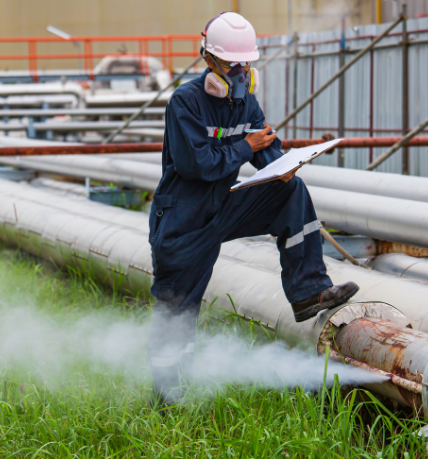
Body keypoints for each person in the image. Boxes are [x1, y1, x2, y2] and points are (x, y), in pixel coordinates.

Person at [146, 11, 359, 405]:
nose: (241, 72)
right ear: (208, 59)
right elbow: (198, 165)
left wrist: (284, 166)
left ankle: (308, 291)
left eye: (246, 64)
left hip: (223, 207)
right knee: (177, 309)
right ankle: (166, 395)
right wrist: (248, 147)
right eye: (232, 64)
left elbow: (266, 150)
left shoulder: (246, 105)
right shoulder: (185, 103)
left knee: (291, 192)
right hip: (182, 219)